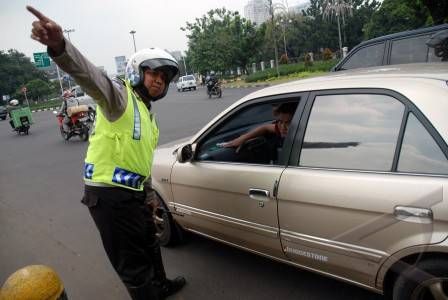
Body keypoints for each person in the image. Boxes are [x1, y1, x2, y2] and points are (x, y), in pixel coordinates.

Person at [28, 6, 185, 300]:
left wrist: (149, 198)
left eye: (165, 77)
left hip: (135, 194)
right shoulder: (119, 97)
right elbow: (89, 75)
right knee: (133, 262)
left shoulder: (148, 117)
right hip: (110, 196)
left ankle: (161, 286)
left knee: (150, 243)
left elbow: (141, 163)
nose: (160, 80)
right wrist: (61, 47)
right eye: (154, 73)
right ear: (137, 72)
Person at [222, 102, 298, 150]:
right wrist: (243, 138)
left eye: (288, 123)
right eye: (280, 122)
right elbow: (265, 127)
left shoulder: (304, 139)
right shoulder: (282, 127)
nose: (283, 128)